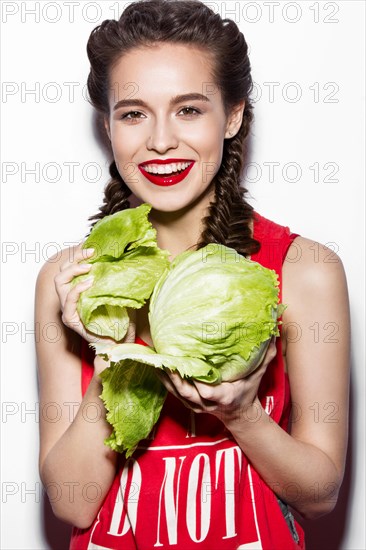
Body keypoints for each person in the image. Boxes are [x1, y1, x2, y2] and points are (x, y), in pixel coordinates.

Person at [35, 0, 350, 548]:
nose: (160, 141)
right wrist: (113, 352)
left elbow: (320, 495)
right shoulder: (71, 280)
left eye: (188, 110)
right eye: (133, 113)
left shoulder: (304, 269)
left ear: (231, 116)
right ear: (106, 124)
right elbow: (71, 502)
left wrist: (242, 412)